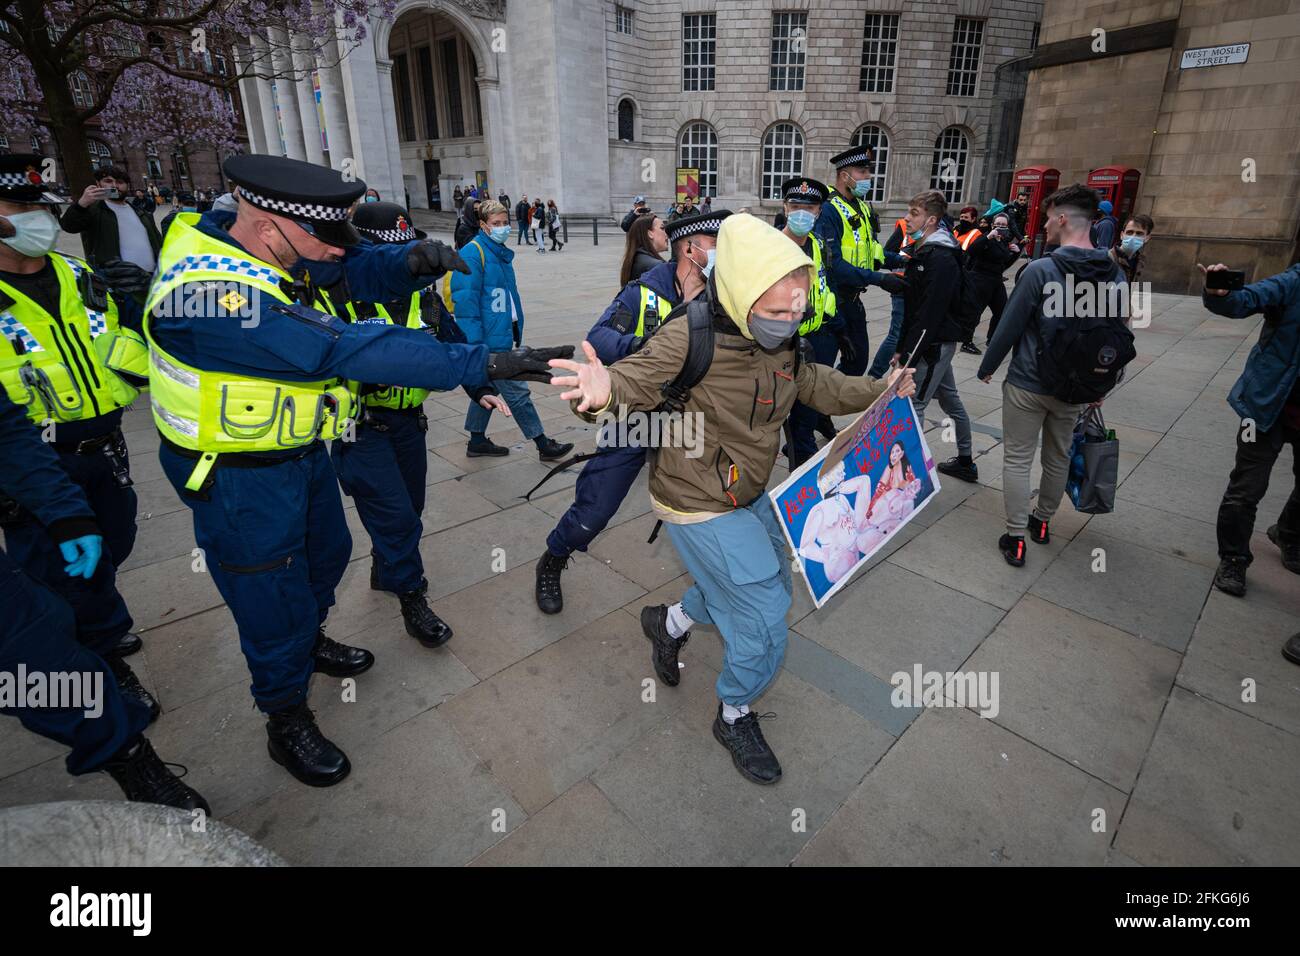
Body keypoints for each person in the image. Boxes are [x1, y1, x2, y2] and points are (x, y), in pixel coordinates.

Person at [145, 155, 569, 787]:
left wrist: (407, 262)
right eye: (324, 237)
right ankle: (284, 718)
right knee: (270, 600)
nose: (336, 253)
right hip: (238, 479)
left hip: (298, 455)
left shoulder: (262, 246)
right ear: (269, 228)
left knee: (327, 556)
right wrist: (482, 363)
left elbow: (347, 263)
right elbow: (337, 346)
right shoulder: (205, 294)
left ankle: (307, 642)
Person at [549, 213, 917, 784]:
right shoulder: (688, 335)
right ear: (743, 295)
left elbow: (813, 383)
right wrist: (598, 396)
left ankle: (668, 623)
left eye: (797, 310)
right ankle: (734, 711)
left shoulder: (780, 339)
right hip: (694, 498)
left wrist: (879, 391)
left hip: (745, 491)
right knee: (767, 607)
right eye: (777, 311)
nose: (791, 321)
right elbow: (628, 384)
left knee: (738, 579)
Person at [0, 388, 209, 813]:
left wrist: (65, 512)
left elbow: (5, 430)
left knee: (42, 660)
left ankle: (127, 753)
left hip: (88, 456)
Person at [0, 153, 157, 715]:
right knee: (68, 572)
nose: (36, 218)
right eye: (19, 207)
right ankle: (102, 662)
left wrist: (141, 304)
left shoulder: (80, 276)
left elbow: (140, 353)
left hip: (105, 449)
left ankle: (99, 625)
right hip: (37, 468)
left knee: (111, 547)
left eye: (40, 205)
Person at [323, 201, 509, 648]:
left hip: (409, 423)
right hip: (359, 428)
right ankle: (413, 598)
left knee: (412, 511)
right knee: (397, 519)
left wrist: (478, 384)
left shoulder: (419, 295)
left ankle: (386, 570)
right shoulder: (338, 296)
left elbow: (450, 338)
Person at [535, 209, 730, 614]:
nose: (720, 254)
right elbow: (598, 338)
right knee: (597, 507)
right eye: (714, 246)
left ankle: (700, 603)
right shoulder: (646, 291)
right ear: (689, 249)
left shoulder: (724, 295)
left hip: (688, 422)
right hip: (637, 416)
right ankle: (554, 555)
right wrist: (651, 349)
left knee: (711, 510)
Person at [976, 183, 1128, 567]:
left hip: (1029, 381)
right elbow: (1123, 334)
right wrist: (1104, 384)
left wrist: (988, 366)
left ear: (1062, 218)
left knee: (1017, 459)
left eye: (1047, 217)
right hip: (1078, 387)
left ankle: (1015, 538)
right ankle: (1041, 523)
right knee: (1058, 458)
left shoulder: (1041, 270)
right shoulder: (1118, 274)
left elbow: (1009, 325)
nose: (1044, 225)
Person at [1199, 261, 1300, 597]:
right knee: (1246, 487)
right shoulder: (1292, 283)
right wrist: (1220, 294)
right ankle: (1233, 558)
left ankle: (1288, 532)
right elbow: (1244, 300)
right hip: (1265, 406)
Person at [451, 199, 574, 462]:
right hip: (488, 342)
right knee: (518, 392)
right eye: (497, 224)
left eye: (506, 223)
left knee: (488, 389)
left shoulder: (499, 253)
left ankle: (477, 440)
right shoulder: (473, 253)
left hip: (501, 334)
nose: (503, 228)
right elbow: (465, 305)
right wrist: (475, 347)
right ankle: (543, 444)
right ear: (483, 225)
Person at [894, 189, 978, 484]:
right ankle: (966, 460)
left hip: (934, 344)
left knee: (916, 404)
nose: (907, 218)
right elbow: (912, 305)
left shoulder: (940, 257)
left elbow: (929, 315)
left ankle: (910, 476)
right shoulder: (925, 251)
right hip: (931, 342)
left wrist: (908, 357)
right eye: (908, 211)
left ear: (931, 219)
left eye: (913, 213)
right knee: (950, 400)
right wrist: (900, 347)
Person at [814, 145, 906, 377]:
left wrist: (904, 261)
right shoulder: (828, 209)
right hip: (832, 302)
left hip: (854, 301)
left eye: (868, 172)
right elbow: (833, 264)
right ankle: (820, 411)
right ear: (844, 175)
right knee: (821, 369)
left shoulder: (862, 207)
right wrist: (880, 279)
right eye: (862, 172)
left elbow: (873, 252)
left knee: (856, 363)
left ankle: (829, 403)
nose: (868, 177)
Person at [776, 177, 841, 469]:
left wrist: (838, 328)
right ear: (785, 208)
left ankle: (800, 478)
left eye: (810, 207)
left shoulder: (817, 244)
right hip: (779, 347)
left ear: (818, 211)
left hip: (816, 342)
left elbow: (824, 289)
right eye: (795, 205)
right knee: (775, 416)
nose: (802, 212)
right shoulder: (771, 247)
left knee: (806, 415)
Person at [59, 165, 162, 273]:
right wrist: (81, 204)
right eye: (108, 181)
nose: (114, 186)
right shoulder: (92, 210)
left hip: (151, 278)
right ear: (98, 184)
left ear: (127, 185)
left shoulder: (142, 213)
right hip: (114, 281)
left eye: (120, 182)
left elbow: (158, 242)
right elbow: (68, 226)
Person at [963, 211, 1022, 348]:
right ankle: (966, 341)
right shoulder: (985, 238)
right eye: (998, 224)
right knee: (976, 312)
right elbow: (971, 251)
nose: (1000, 227)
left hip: (996, 281)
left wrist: (1014, 253)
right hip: (981, 279)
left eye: (1003, 225)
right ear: (992, 225)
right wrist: (988, 237)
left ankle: (991, 339)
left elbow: (1003, 263)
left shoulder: (1003, 242)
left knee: (1001, 311)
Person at [952, 206, 984, 355]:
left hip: (968, 274)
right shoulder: (956, 230)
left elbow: (974, 255)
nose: (963, 220)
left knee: (971, 308)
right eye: (962, 217)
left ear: (973, 219)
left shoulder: (977, 234)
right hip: (954, 273)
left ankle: (967, 339)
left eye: (966, 218)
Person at [620, 213, 667, 285]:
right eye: (662, 228)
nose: (666, 233)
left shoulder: (635, 258)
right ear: (650, 233)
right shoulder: (656, 266)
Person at [1110, 214, 1154, 285]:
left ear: (1147, 238)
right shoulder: (1108, 258)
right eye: (1129, 232)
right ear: (1122, 235)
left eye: (1139, 233)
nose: (1133, 237)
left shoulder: (1140, 262)